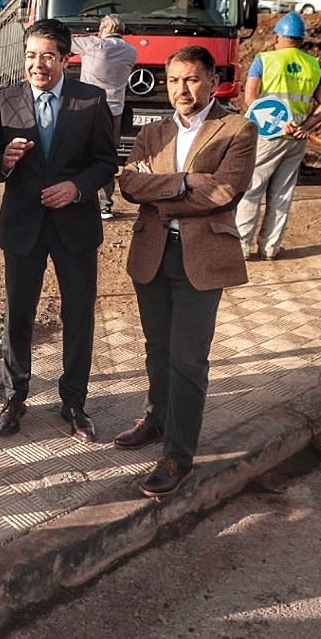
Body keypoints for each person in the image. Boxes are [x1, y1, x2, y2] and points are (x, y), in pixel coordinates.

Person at [114, 47, 258, 496]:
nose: (181, 89)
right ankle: (157, 420)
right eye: (175, 80)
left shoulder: (237, 128)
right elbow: (127, 185)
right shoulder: (153, 132)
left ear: (214, 82)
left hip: (202, 258)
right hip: (152, 253)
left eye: (192, 79)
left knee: (188, 359)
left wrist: (159, 192)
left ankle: (178, 456)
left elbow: (223, 194)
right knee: (157, 347)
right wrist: (182, 183)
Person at [0, 17, 118, 442]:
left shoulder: (90, 101)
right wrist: (4, 160)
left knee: (77, 314)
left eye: (47, 56)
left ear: (65, 58)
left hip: (75, 226)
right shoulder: (3, 101)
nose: (37, 64)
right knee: (19, 313)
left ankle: (75, 401)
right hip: (23, 226)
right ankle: (15, 394)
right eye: (30, 56)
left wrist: (77, 188)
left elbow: (106, 161)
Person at [234, 11, 321, 260]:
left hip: (267, 135)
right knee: (282, 193)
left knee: (252, 189)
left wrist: (277, 121)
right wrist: (307, 125)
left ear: (278, 37)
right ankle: (270, 247)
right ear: (301, 40)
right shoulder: (314, 65)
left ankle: (241, 247)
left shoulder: (264, 60)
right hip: (297, 138)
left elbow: (250, 98)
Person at [71, 13, 138, 218]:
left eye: (101, 27)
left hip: (88, 108)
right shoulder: (131, 51)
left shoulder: (93, 45)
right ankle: (105, 204)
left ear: (106, 28)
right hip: (115, 109)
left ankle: (80, 197)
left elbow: (65, 42)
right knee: (106, 156)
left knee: (80, 152)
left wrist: (91, 35)